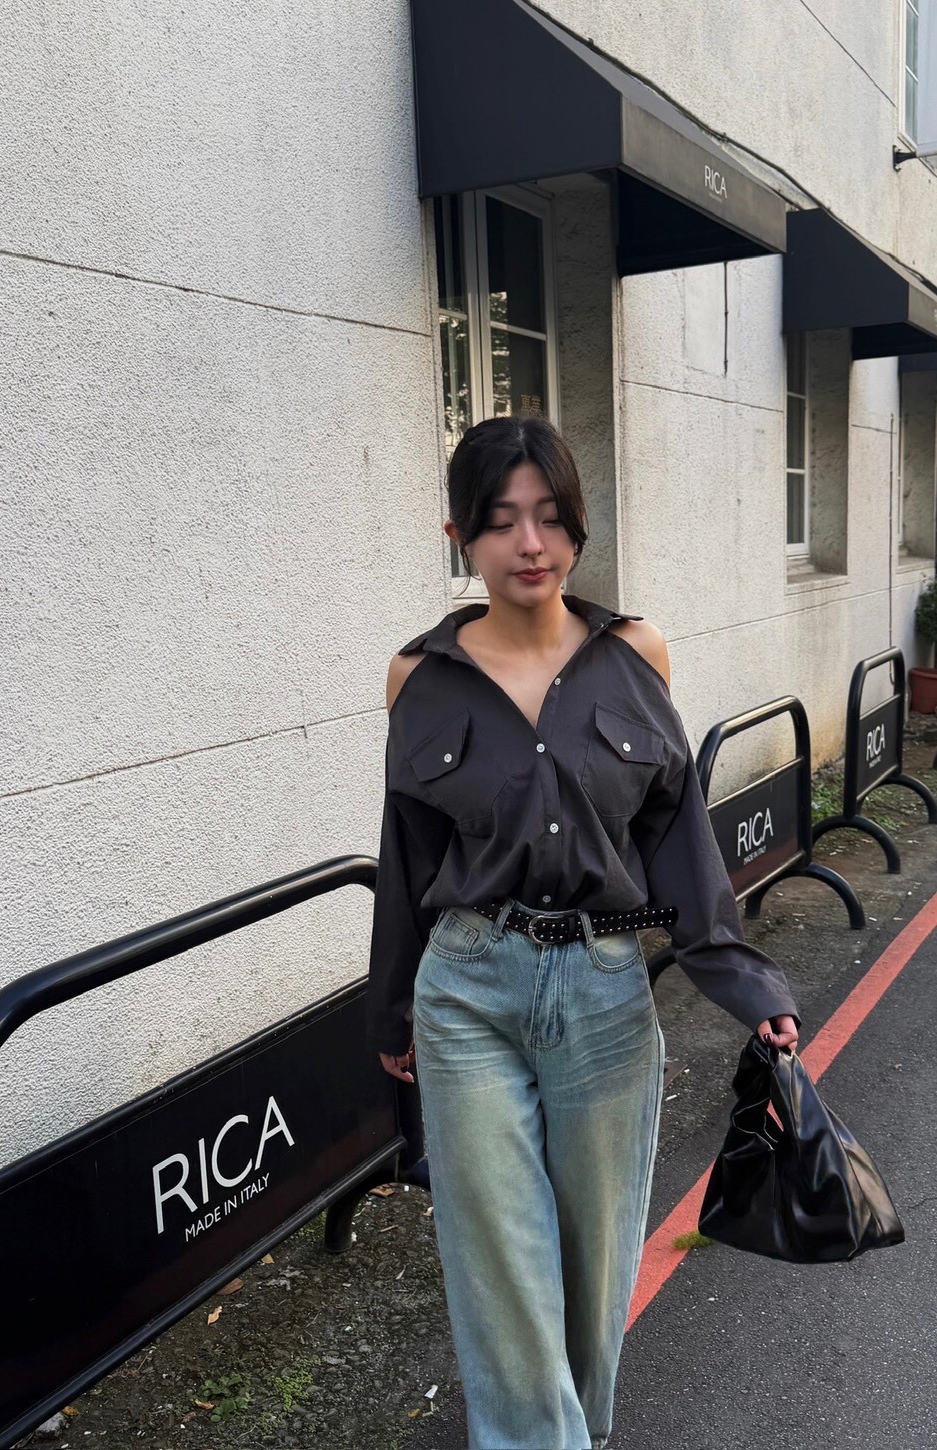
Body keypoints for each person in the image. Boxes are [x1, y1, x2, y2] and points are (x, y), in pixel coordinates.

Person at [368, 415, 799, 1450]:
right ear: (459, 536)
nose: (530, 543)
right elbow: (407, 856)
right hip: (467, 988)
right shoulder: (416, 676)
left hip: (604, 986)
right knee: (498, 1268)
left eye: (551, 517)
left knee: (594, 1262)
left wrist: (748, 986)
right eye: (500, 520)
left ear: (578, 526)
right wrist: (392, 1011)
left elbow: (677, 838)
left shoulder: (635, 654)